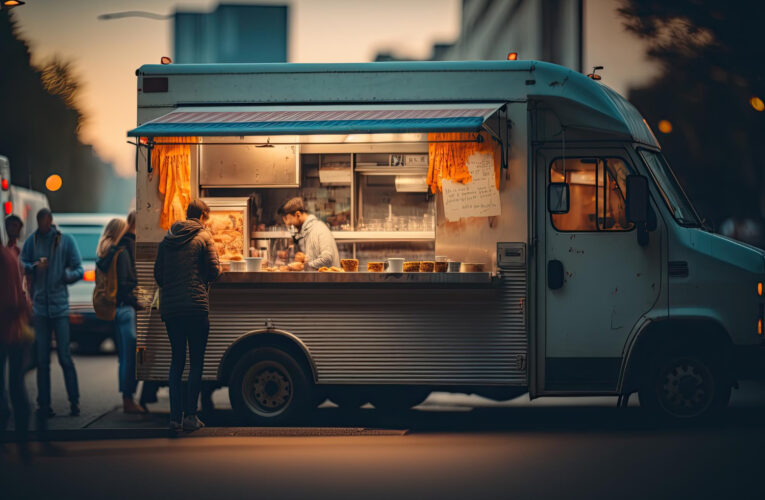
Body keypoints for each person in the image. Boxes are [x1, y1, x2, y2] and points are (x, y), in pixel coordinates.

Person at [154, 199, 221, 432]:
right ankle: (191, 416)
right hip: (195, 307)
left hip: (172, 310)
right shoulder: (204, 237)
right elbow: (214, 271)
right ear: (202, 215)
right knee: (196, 363)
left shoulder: (167, 238)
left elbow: (158, 275)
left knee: (177, 362)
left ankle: (174, 419)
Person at [20, 208, 83, 418]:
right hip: (40, 307)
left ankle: (74, 401)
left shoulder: (65, 241)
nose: (43, 225)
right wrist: (34, 266)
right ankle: (44, 404)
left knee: (65, 357)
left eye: (45, 221)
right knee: (42, 359)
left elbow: (78, 269)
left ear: (51, 221)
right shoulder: (33, 241)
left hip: (59, 307)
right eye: (40, 221)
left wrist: (66, 275)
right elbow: (22, 263)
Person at [95, 217, 145, 414]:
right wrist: (138, 302)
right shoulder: (122, 253)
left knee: (124, 356)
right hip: (125, 308)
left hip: (116, 309)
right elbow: (125, 285)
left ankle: (127, 399)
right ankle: (128, 400)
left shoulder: (105, 253)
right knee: (129, 357)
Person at [0, 244, 32, 440]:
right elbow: (18, 296)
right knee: (16, 383)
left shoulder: (4, 257)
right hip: (15, 330)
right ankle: (22, 435)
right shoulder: (9, 255)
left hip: (4, 329)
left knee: (6, 384)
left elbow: (9, 298)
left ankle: (8, 428)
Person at [278, 197, 340, 271]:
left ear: (298, 215)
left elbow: (327, 258)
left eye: (291, 224)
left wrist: (304, 266)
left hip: (328, 281)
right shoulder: (306, 231)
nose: (291, 227)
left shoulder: (319, 229)